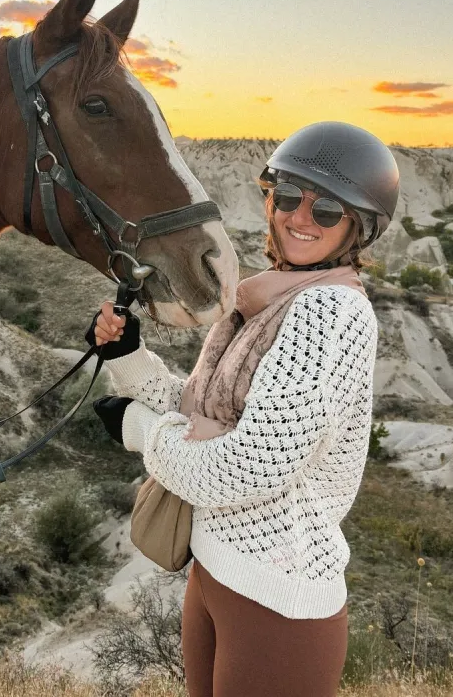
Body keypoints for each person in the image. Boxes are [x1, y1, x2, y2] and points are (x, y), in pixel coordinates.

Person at [90, 121, 399, 697]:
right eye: (288, 197)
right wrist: (128, 356)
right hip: (215, 570)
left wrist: (140, 431)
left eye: (328, 209)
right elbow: (201, 411)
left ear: (359, 226)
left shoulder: (328, 313)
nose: (299, 217)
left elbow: (245, 467)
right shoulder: (270, 298)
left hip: (275, 594)